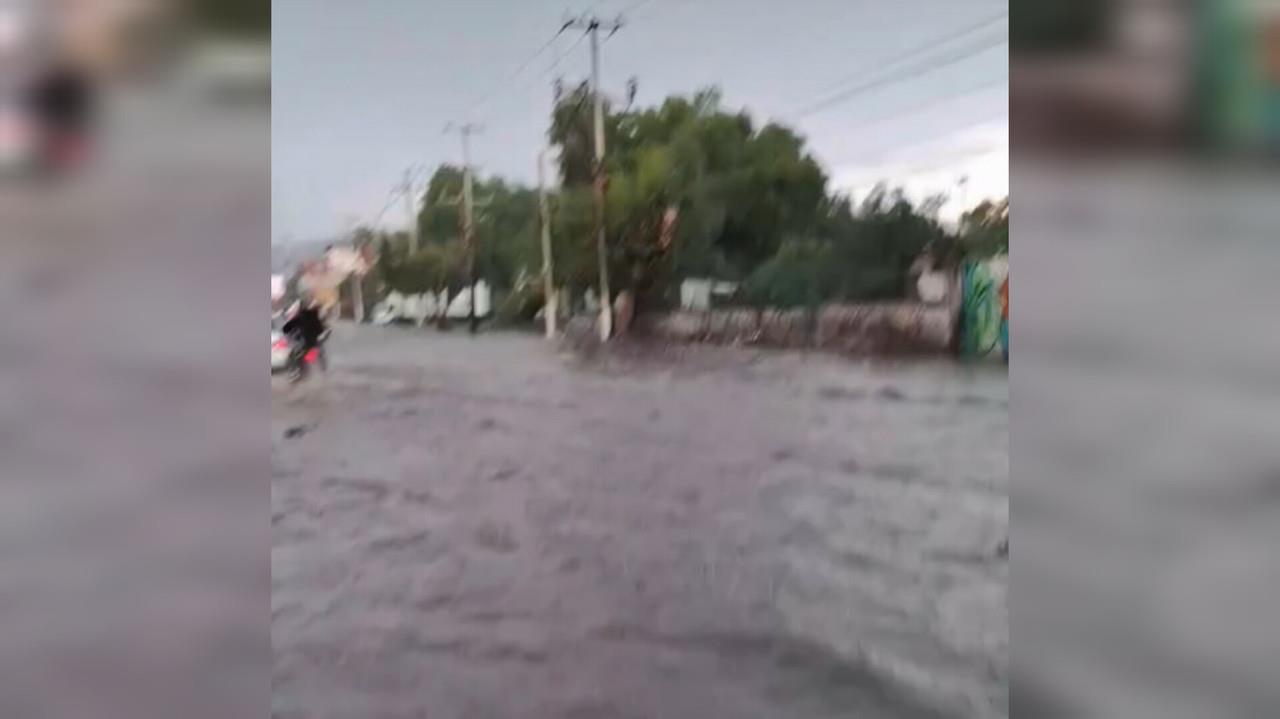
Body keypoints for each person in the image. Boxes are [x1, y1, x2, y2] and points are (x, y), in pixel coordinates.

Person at [281, 295, 328, 370]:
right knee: (296, 353)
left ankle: (318, 367)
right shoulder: (297, 315)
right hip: (303, 341)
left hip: (309, 340)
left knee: (315, 350)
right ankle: (298, 369)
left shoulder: (308, 315)